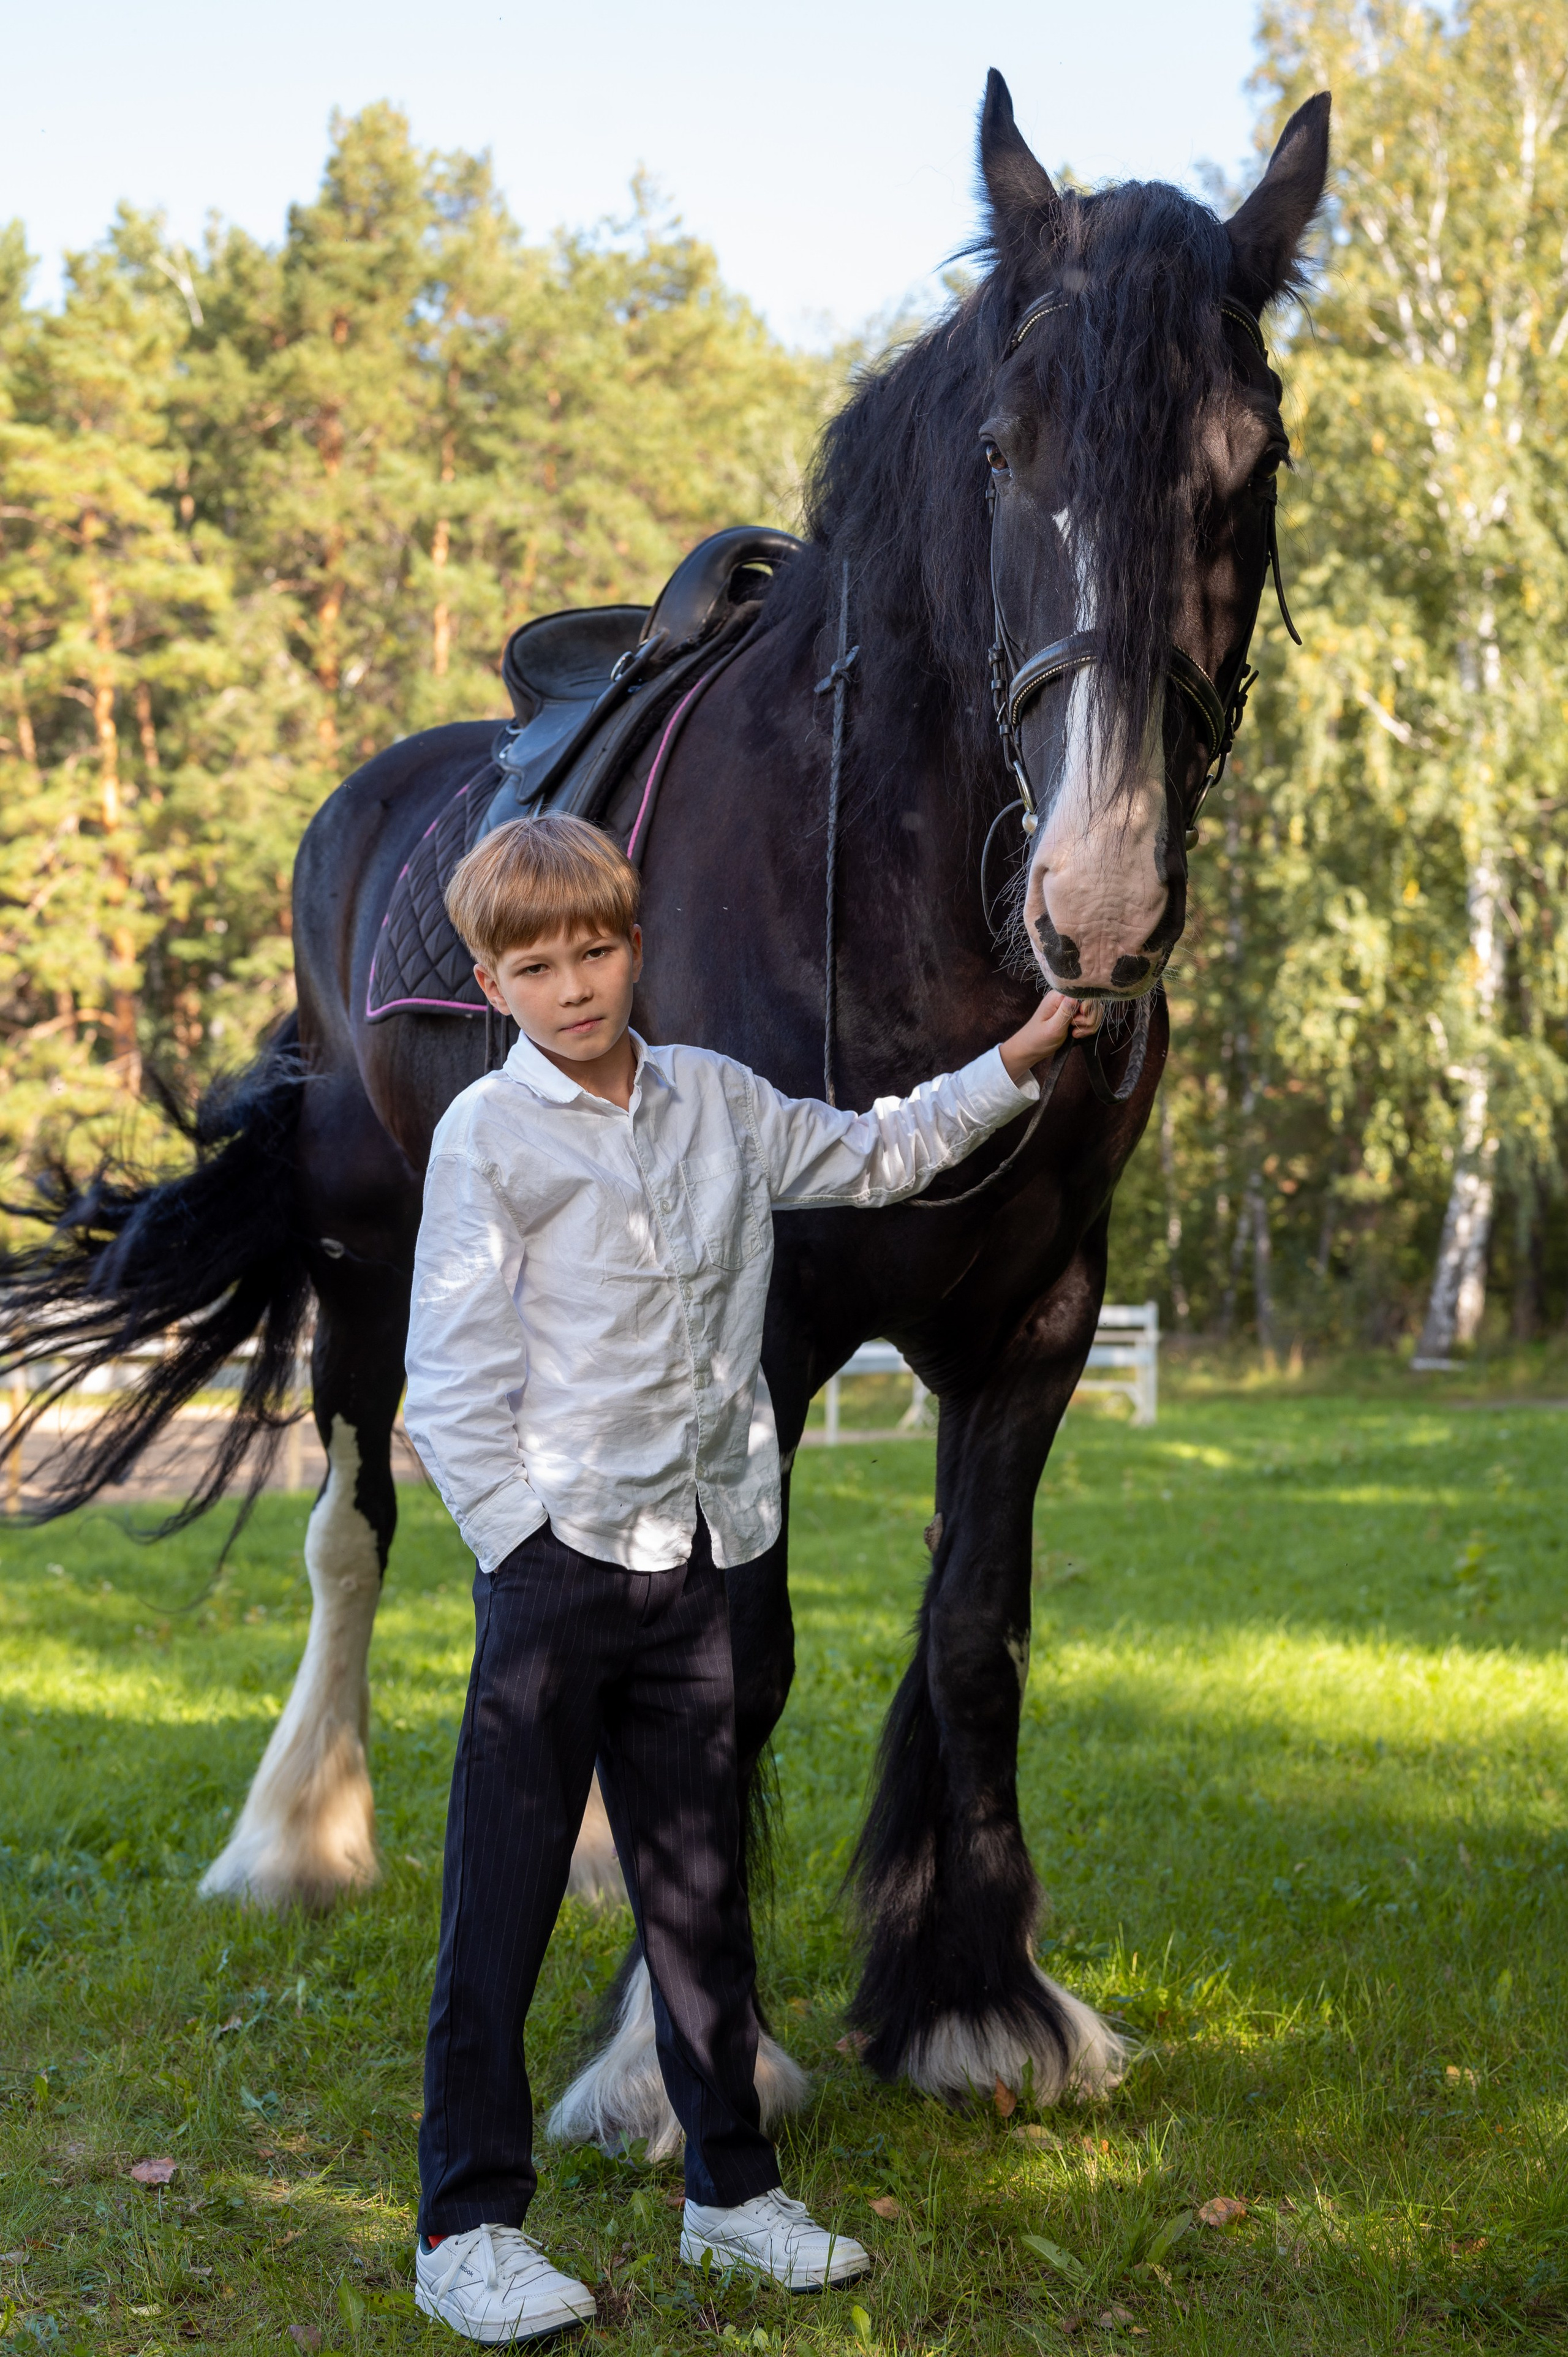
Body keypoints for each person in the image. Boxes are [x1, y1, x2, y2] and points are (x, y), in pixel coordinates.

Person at [403, 812, 1100, 2342]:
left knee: (701, 1901)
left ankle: (731, 2193)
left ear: (632, 947)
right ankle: (465, 2226)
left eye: (596, 949)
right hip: (559, 1577)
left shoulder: (716, 1101)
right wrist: (524, 1555)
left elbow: (880, 1149)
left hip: (711, 1558)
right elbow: (450, 1380)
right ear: (491, 982)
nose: (574, 985)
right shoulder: (489, 1140)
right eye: (538, 964)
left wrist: (1029, 1052)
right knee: (500, 1914)